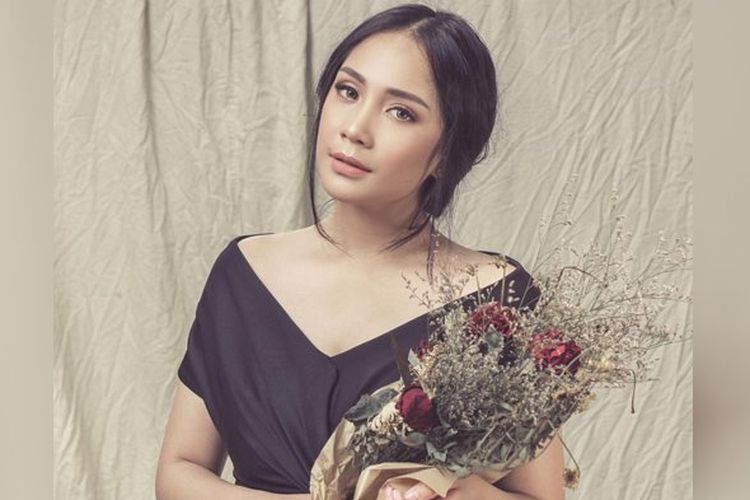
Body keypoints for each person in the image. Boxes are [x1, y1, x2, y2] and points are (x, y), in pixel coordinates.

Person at [156, 4, 565, 500]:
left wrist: (457, 491)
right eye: (348, 91)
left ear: (447, 151)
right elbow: (178, 472)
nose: (355, 128)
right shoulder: (242, 274)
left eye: (401, 112)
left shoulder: (499, 301)